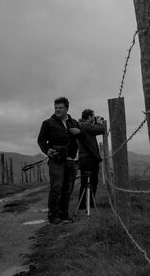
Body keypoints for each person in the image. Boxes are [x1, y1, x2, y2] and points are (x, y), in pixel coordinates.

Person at [37, 96, 81, 224]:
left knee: (68, 189)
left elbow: (82, 138)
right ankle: (53, 216)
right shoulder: (48, 123)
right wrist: (47, 150)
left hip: (72, 160)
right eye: (56, 108)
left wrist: (79, 132)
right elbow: (41, 140)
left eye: (60, 108)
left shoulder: (74, 123)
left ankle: (64, 214)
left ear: (67, 108)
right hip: (57, 160)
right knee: (56, 188)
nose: (57, 110)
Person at [76, 109, 105, 210]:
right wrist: (99, 122)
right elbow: (102, 130)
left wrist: (95, 122)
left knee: (84, 182)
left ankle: (83, 204)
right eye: (93, 116)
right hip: (89, 158)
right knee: (93, 181)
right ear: (89, 117)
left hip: (84, 158)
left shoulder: (81, 124)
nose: (94, 118)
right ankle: (90, 204)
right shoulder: (86, 125)